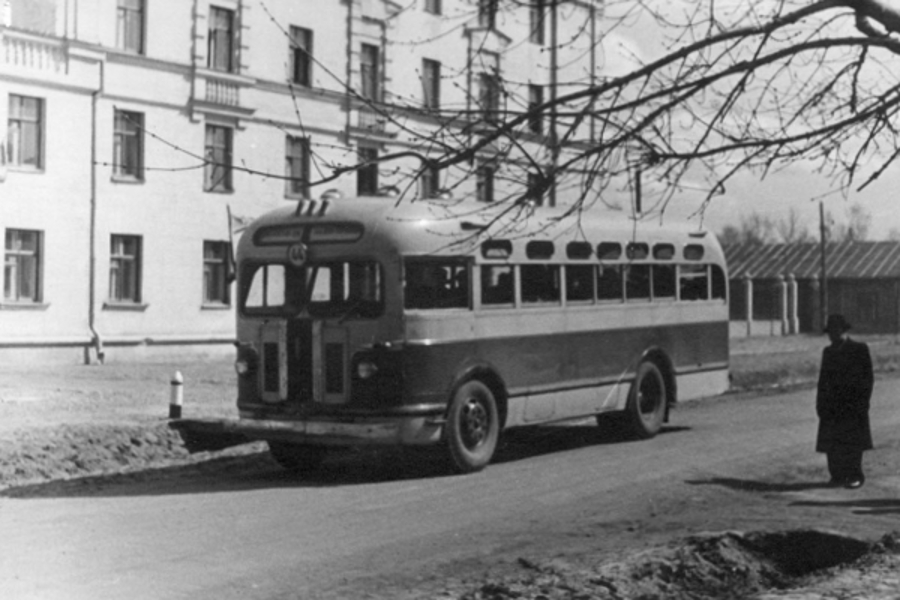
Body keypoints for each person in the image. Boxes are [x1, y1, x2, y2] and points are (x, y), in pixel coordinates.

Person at [815, 314, 874, 489]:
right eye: (829, 332)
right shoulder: (828, 352)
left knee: (853, 443)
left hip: (853, 405)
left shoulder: (859, 349)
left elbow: (867, 378)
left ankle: (855, 476)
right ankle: (837, 476)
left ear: (843, 330)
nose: (832, 335)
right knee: (833, 443)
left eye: (835, 331)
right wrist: (820, 404)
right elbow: (823, 381)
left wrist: (863, 402)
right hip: (832, 406)